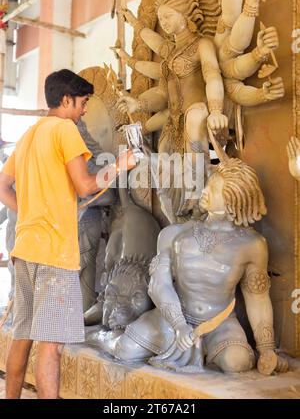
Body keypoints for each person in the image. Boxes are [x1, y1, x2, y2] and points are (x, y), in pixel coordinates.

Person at [0, 69, 137, 399]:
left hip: (26, 250)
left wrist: (31, 211)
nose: (85, 109)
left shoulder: (31, 134)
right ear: (66, 100)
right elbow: (86, 185)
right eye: (83, 102)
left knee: (22, 337)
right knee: (52, 348)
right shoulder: (66, 129)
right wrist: (121, 164)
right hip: (54, 257)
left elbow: (2, 185)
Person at [94, 156, 288, 375]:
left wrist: (266, 349)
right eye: (207, 184)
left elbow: (257, 297)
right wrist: (179, 325)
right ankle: (101, 337)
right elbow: (159, 285)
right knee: (124, 349)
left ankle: (211, 350)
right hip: (173, 319)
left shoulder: (252, 245)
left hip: (219, 325)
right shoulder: (175, 235)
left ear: (233, 199)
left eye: (213, 189)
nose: (204, 191)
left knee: (238, 362)